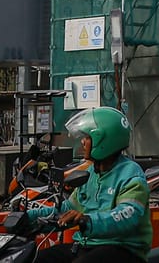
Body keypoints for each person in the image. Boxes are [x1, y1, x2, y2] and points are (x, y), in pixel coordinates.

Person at [26, 106, 151, 263]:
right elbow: (68, 209)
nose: (82, 142)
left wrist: (87, 220)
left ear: (103, 141)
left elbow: (128, 215)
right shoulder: (91, 172)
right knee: (35, 259)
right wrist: (28, 217)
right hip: (87, 245)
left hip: (123, 249)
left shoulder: (130, 174)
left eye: (87, 137)